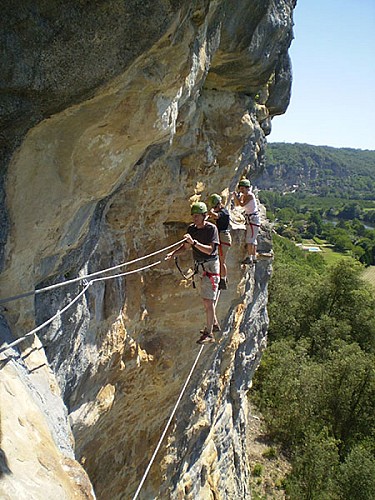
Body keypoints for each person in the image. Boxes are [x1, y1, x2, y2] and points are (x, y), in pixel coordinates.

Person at [165, 202, 220, 344]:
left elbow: (210, 250)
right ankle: (213, 323)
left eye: (197, 216)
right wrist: (173, 253)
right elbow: (186, 247)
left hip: (210, 267)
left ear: (204, 216)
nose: (194, 218)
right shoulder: (192, 229)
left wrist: (194, 243)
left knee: (208, 301)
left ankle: (209, 334)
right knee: (206, 299)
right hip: (200, 267)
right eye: (193, 216)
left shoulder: (211, 229)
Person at [232, 179, 260, 265]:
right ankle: (253, 257)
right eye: (240, 189)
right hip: (252, 218)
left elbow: (241, 205)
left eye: (243, 189)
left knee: (249, 239)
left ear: (247, 188)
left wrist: (235, 195)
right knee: (253, 239)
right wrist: (238, 196)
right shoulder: (245, 195)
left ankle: (249, 258)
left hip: (252, 219)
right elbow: (238, 204)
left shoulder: (250, 195)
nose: (242, 190)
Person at [207, 193, 231, 290]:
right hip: (222, 237)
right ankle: (223, 278)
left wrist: (211, 211)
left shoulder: (224, 212)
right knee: (219, 260)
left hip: (223, 238)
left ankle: (223, 280)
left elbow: (215, 216)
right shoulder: (221, 211)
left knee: (221, 261)